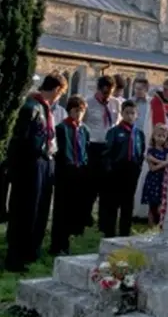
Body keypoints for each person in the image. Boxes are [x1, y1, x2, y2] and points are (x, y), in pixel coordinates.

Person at [4, 73, 67, 272]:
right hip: (30, 164)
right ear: (57, 90)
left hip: (45, 160)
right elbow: (21, 139)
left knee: (40, 208)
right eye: (60, 93)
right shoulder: (31, 107)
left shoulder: (45, 108)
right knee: (25, 210)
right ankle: (16, 257)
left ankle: (32, 249)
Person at [50, 94, 91, 256]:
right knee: (61, 208)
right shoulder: (61, 128)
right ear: (69, 111)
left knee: (73, 208)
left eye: (81, 111)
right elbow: (58, 151)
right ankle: (57, 244)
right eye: (75, 110)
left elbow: (86, 149)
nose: (79, 114)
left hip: (79, 171)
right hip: (65, 172)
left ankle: (67, 241)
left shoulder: (84, 129)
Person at [102, 100, 145, 238]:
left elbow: (140, 151)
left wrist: (138, 166)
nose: (130, 116)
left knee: (128, 203)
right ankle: (109, 232)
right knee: (113, 203)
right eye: (127, 113)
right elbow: (107, 152)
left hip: (131, 170)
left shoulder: (139, 134)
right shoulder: (114, 132)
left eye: (133, 113)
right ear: (122, 114)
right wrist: (109, 169)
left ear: (137, 115)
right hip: (117, 170)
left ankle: (124, 232)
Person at [84, 75, 121, 229]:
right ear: (98, 90)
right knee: (91, 185)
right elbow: (83, 124)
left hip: (109, 147)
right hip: (93, 146)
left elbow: (116, 121)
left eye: (110, 92)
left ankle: (104, 220)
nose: (107, 96)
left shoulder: (115, 103)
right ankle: (86, 215)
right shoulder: (88, 103)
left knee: (107, 186)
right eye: (105, 92)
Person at [141, 123, 168, 228]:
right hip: (153, 180)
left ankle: (160, 225)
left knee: (161, 204)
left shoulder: (167, 151)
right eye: (158, 136)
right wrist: (164, 163)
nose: (161, 138)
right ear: (153, 136)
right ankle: (150, 225)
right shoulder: (151, 151)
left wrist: (162, 163)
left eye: (163, 136)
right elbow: (152, 168)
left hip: (163, 180)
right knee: (152, 206)